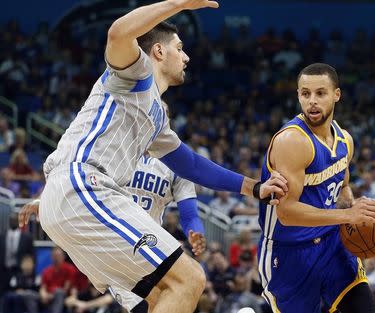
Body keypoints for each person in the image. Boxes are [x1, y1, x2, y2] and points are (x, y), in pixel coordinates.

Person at [19, 1, 287, 313]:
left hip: (70, 199)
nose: (186, 57)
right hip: (81, 187)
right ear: (158, 51)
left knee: (161, 297)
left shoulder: (157, 118)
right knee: (190, 279)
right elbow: (118, 32)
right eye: (180, 47)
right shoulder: (135, 72)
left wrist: (254, 187)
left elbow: (191, 165)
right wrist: (180, 4)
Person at [257, 63, 375, 313]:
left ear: (336, 95)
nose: (312, 101)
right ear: (298, 95)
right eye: (305, 94)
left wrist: (355, 209)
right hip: (289, 252)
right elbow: (287, 213)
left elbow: (343, 186)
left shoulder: (345, 141)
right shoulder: (292, 141)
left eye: (320, 93)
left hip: (332, 244)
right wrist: (347, 215)